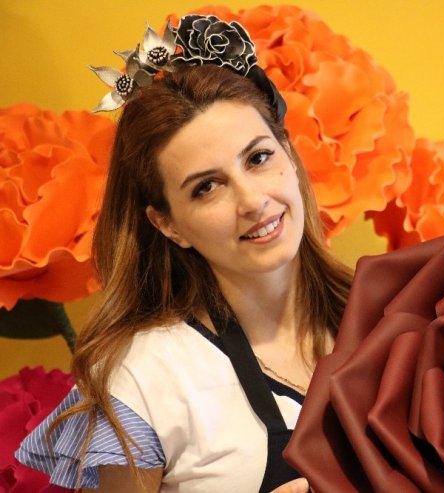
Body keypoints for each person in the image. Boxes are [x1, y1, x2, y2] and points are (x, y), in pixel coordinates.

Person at [15, 14, 352, 493]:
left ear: (289, 153)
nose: (252, 201)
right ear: (168, 224)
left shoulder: (390, 315)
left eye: (258, 158)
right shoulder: (143, 377)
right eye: (207, 187)